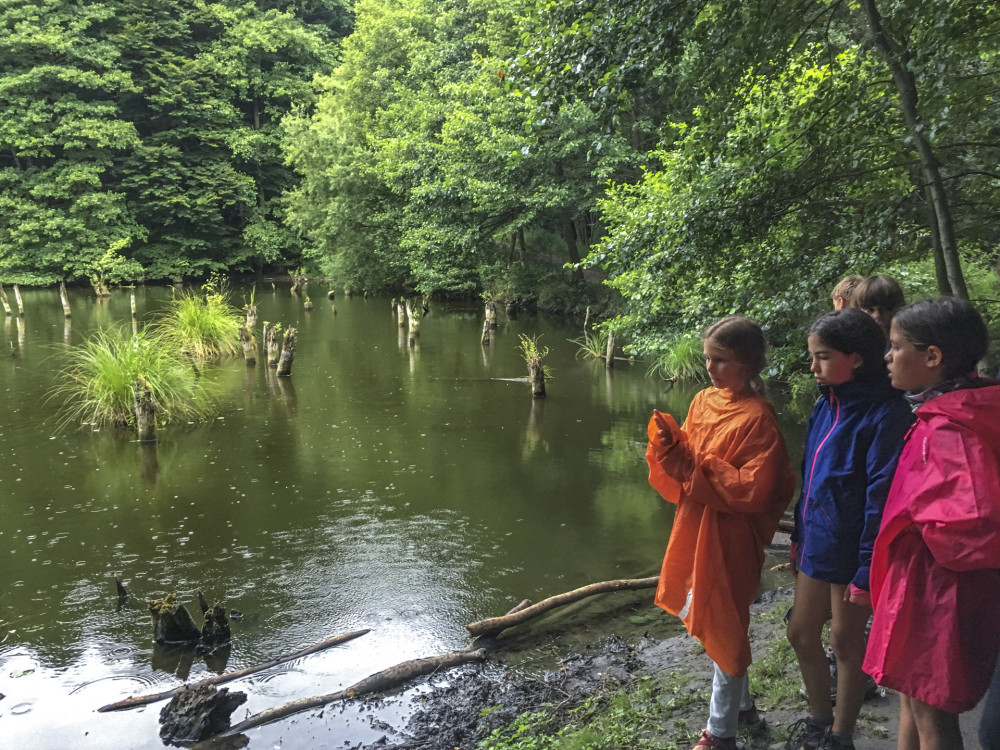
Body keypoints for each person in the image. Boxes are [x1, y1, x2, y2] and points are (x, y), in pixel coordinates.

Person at [646, 316, 796, 750]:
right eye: (708, 359)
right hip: (696, 523)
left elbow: (756, 488)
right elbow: (688, 464)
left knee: (725, 620)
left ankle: (720, 733)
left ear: (748, 365)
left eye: (721, 360)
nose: (710, 368)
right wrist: (671, 447)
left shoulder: (759, 419)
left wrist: (697, 466)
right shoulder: (702, 401)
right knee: (723, 614)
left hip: (731, 533)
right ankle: (743, 708)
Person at [863, 297, 1000, 750]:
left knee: (931, 714)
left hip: (938, 592)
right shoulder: (957, 408)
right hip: (929, 583)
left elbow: (976, 522)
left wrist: (920, 528)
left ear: (932, 357)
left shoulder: (950, 427)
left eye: (896, 346)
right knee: (912, 697)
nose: (888, 356)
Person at [786, 309, 914, 750]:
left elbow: (881, 497)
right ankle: (820, 720)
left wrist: (866, 568)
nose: (813, 368)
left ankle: (841, 736)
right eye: (813, 357)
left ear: (856, 358)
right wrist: (799, 536)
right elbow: (812, 474)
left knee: (844, 640)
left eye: (822, 357)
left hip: (854, 548)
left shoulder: (886, 413)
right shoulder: (827, 403)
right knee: (801, 632)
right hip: (817, 540)